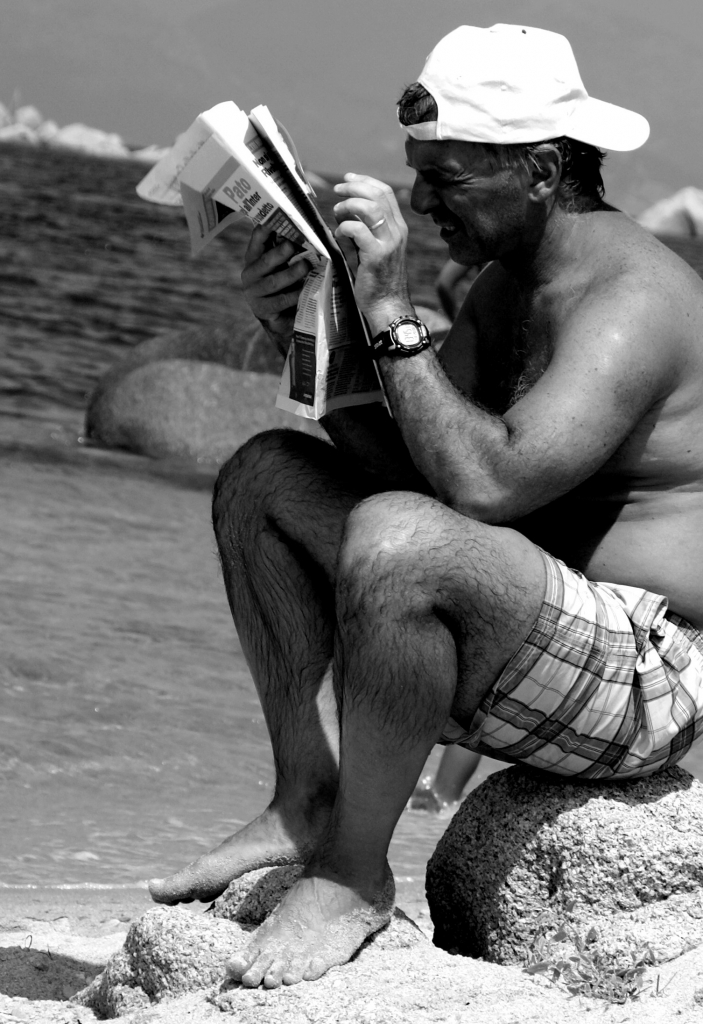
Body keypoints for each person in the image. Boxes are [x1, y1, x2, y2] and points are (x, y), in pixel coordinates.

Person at [148, 24, 703, 989]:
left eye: (447, 179)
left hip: (647, 673)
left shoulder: (631, 299)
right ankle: (303, 798)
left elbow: (485, 487)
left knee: (398, 542)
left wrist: (394, 305)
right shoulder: (504, 287)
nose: (422, 199)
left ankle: (354, 875)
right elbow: (414, 460)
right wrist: (298, 318)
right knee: (266, 478)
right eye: (418, 173)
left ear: (537, 169)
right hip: (532, 623)